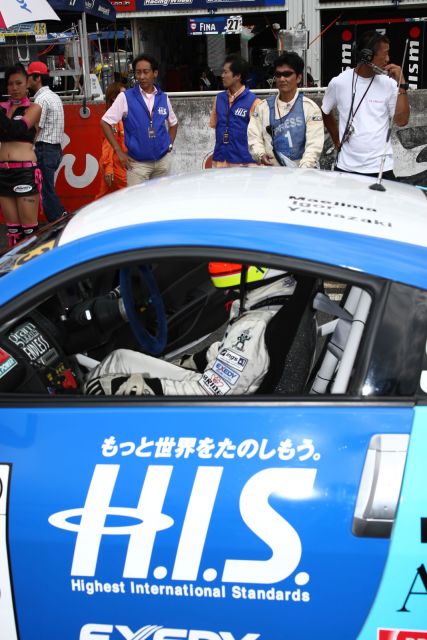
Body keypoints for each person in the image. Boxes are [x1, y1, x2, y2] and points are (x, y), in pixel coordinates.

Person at [84, 263, 296, 396]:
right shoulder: (278, 292)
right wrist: (195, 360)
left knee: (102, 384)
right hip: (221, 387)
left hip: (210, 410)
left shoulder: (252, 327)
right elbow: (233, 354)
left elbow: (209, 393)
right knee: (119, 358)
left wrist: (141, 387)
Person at [321, 31, 410, 179]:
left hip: (381, 167)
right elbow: (325, 110)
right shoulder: (339, 82)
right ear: (367, 55)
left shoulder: (388, 84)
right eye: (385, 54)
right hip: (346, 166)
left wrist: (402, 85)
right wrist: (336, 139)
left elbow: (402, 121)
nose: (388, 59)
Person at [100, 54, 178, 186]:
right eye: (138, 72)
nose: (141, 77)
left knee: (161, 202)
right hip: (137, 165)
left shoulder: (163, 98)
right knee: (137, 203)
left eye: (146, 72)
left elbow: (174, 123)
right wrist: (119, 151)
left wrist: (169, 144)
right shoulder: (125, 97)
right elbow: (104, 122)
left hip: (162, 163)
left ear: (155, 73)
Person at [247, 52, 324, 168]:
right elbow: (254, 136)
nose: (282, 79)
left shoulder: (310, 108)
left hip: (303, 176)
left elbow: (314, 145)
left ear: (298, 77)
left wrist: (303, 169)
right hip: (271, 176)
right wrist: (260, 154)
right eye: (278, 75)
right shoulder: (263, 107)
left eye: (287, 74)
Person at [0, 64, 42, 247]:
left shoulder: (34, 108)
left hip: (24, 172)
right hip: (3, 173)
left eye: (19, 83)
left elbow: (16, 130)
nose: (14, 88)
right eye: (10, 84)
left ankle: (38, 273)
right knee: (13, 231)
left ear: (27, 84)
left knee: (29, 232)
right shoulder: (2, 108)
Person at [27, 60, 67, 221]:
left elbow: (36, 127)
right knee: (47, 188)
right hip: (55, 149)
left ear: (37, 78)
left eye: (29, 76)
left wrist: (27, 147)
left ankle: (59, 220)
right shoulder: (54, 97)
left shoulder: (41, 100)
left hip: (45, 149)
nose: (26, 80)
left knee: (45, 189)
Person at [210, 55, 261, 168]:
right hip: (220, 161)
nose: (222, 76)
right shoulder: (219, 99)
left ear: (237, 76)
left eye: (225, 72)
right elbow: (214, 125)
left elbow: (258, 136)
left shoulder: (254, 102)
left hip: (244, 164)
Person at [96, 82, 127, 199]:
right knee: (129, 194)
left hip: (118, 164)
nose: (126, 97)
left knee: (104, 197)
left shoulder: (121, 117)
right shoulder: (112, 120)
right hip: (114, 165)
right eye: (123, 94)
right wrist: (109, 169)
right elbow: (108, 146)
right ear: (115, 98)